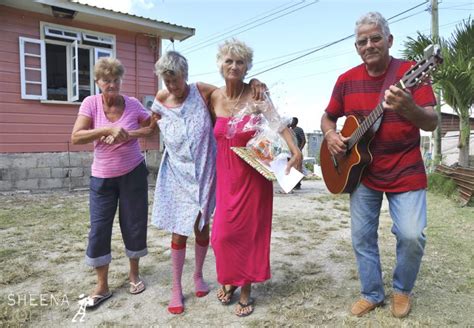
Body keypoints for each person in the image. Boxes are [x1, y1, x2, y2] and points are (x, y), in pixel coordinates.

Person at [320, 12, 437, 318]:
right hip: (363, 173)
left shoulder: (412, 72)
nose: (369, 45)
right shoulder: (346, 80)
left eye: (375, 38)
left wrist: (409, 108)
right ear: (357, 47)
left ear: (389, 40)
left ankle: (401, 290)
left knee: (412, 235)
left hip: (406, 169)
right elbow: (328, 117)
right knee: (362, 236)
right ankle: (372, 292)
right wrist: (331, 134)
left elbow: (433, 121)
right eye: (362, 41)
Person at [150, 51, 267, 315]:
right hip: (178, 172)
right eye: (167, 81)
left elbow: (233, 92)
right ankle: (176, 288)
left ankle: (199, 276)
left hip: (205, 171)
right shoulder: (161, 98)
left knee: (203, 227)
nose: (172, 86)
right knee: (180, 229)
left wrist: (256, 82)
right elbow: (151, 123)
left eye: (176, 80)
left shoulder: (202, 92)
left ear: (186, 76)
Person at [211, 38, 302, 317]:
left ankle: (245, 289)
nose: (234, 66)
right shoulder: (213, 96)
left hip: (252, 175)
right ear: (220, 65)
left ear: (247, 66)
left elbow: (278, 123)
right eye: (229, 60)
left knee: (250, 234)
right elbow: (180, 92)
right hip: (225, 176)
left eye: (240, 62)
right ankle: (229, 278)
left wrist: (295, 150)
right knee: (222, 236)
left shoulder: (257, 95)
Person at [71, 57, 156, 308]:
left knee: (134, 223)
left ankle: (133, 274)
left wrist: (128, 134)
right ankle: (102, 286)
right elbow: (76, 137)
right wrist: (106, 131)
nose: (112, 84)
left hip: (133, 173)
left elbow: (151, 128)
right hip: (102, 178)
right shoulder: (90, 104)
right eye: (106, 80)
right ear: (97, 82)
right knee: (99, 228)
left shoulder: (132, 104)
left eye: (116, 79)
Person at [289, 117, 306, 189]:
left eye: (291, 121)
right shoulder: (289, 130)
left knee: (297, 168)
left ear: (295, 122)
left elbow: (303, 140)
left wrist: (300, 149)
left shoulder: (299, 130)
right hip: (290, 153)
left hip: (297, 152)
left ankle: (298, 184)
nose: (290, 122)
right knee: (291, 168)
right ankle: (292, 183)